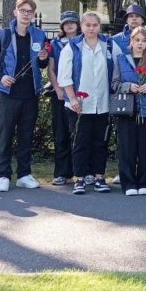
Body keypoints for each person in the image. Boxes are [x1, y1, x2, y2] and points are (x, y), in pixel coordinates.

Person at [0, 0, 50, 192]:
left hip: (30, 93)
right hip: (7, 93)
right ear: (15, 12)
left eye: (29, 11)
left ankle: (24, 174)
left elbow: (42, 64)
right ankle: (3, 175)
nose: (26, 14)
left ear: (33, 15)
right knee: (4, 135)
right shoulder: (4, 34)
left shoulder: (40, 35)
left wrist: (43, 58)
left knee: (26, 136)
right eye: (22, 10)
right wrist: (2, 76)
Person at [57, 12, 118, 195]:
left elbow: (120, 67)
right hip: (79, 105)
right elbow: (64, 76)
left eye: (95, 25)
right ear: (81, 27)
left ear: (100, 26)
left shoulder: (108, 45)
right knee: (80, 142)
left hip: (103, 104)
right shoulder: (72, 47)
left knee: (100, 142)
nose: (91, 29)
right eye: (87, 25)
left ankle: (99, 177)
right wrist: (73, 98)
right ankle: (80, 179)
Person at [115, 26, 146, 196]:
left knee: (145, 148)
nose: (140, 44)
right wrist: (129, 86)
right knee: (127, 148)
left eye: (144, 41)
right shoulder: (121, 59)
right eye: (137, 40)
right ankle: (128, 183)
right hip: (127, 109)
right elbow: (115, 84)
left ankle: (144, 182)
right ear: (131, 41)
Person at [47, 11, 80, 185]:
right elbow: (51, 69)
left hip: (81, 94)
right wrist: (58, 89)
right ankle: (62, 172)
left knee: (79, 134)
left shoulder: (84, 41)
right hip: (60, 95)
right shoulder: (55, 43)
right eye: (65, 23)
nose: (69, 25)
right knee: (61, 134)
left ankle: (80, 171)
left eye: (72, 22)